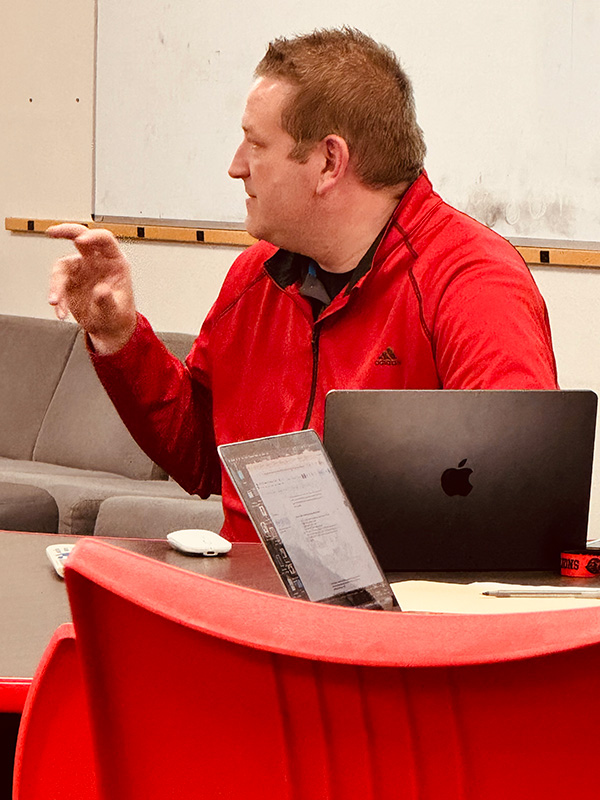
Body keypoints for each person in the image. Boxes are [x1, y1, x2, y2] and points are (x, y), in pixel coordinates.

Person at [47, 28, 558, 542]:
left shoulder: (472, 283)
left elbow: (516, 507)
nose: (235, 166)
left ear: (329, 163)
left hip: (395, 614)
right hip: (250, 602)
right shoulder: (253, 277)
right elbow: (205, 457)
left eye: (256, 143)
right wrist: (117, 335)